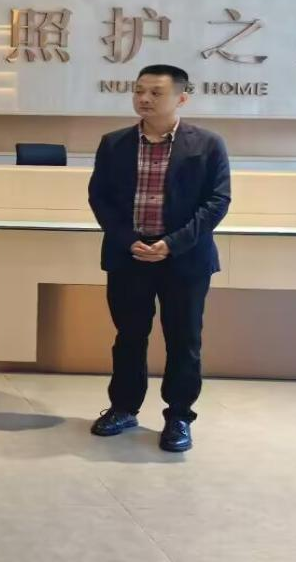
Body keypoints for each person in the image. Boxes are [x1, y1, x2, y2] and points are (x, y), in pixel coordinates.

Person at [88, 64, 231, 453]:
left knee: (184, 339)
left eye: (155, 92)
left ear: (181, 98)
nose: (144, 99)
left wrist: (172, 244)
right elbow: (100, 198)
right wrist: (128, 240)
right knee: (129, 337)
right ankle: (123, 408)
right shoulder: (114, 143)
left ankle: (179, 416)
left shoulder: (208, 144)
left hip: (185, 259)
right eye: (139, 91)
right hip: (129, 256)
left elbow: (218, 201)